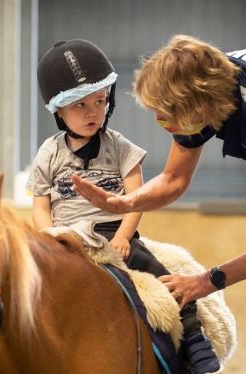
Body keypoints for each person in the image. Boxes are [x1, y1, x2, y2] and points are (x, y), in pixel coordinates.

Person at [28, 39, 221, 374]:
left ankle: (194, 342)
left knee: (165, 282)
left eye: (100, 101)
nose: (92, 112)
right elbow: (40, 202)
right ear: (59, 111)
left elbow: (138, 198)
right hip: (65, 238)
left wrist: (122, 236)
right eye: (80, 105)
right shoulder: (49, 152)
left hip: (112, 234)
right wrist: (49, 237)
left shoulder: (119, 147)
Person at [71, 35, 246, 305]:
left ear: (200, 106)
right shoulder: (212, 90)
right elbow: (173, 178)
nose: (160, 122)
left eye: (167, 114)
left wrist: (206, 281)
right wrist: (126, 203)